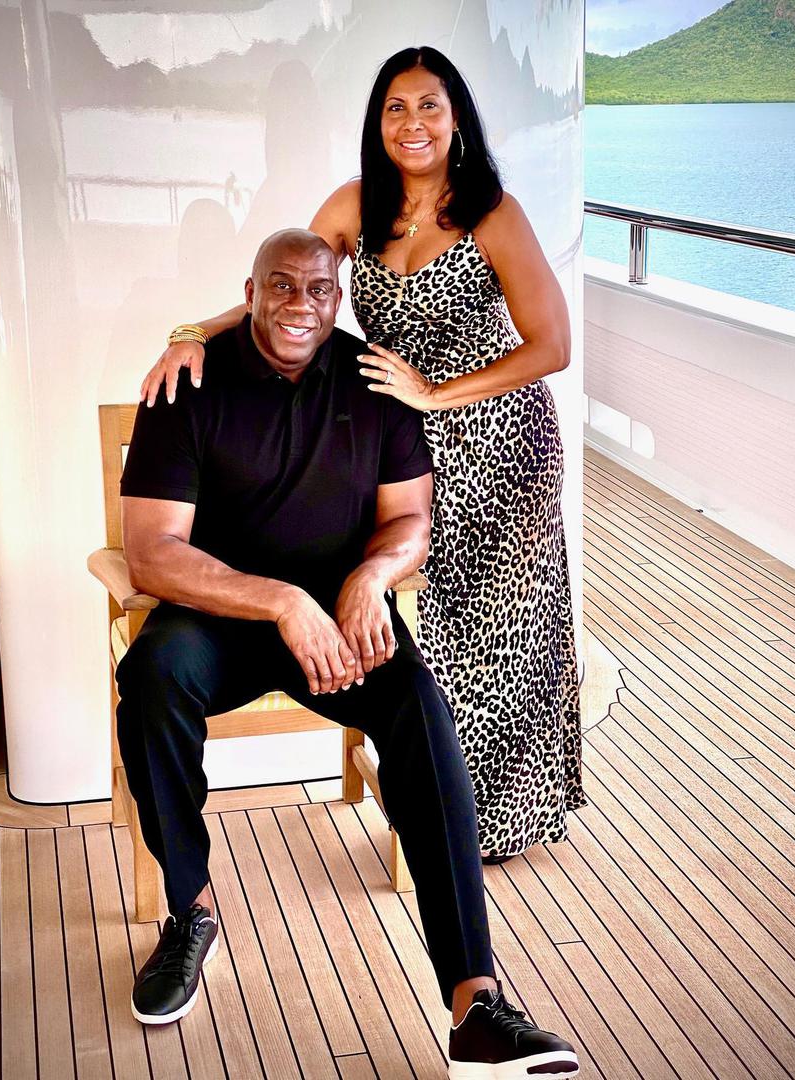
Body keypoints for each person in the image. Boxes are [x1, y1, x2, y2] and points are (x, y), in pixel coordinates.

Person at [116, 229, 579, 1079]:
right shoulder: (188, 382)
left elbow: (409, 520)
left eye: (319, 289)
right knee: (150, 677)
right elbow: (151, 553)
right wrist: (282, 601)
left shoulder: (376, 383)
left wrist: (373, 575)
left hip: (343, 621)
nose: (301, 304)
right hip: (222, 618)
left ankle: (475, 1003)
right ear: (249, 292)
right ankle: (190, 913)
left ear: (340, 297)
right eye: (281, 286)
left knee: (420, 707)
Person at [141, 46, 585, 862]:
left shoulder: (492, 212)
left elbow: (551, 345)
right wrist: (190, 332)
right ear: (377, 122)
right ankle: (436, 815)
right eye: (395, 108)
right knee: (422, 635)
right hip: (396, 445)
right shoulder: (355, 205)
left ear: (456, 119)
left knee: (501, 636)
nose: (413, 123)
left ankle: (492, 825)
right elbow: (287, 289)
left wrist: (437, 394)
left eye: (429, 106)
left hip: (499, 442)